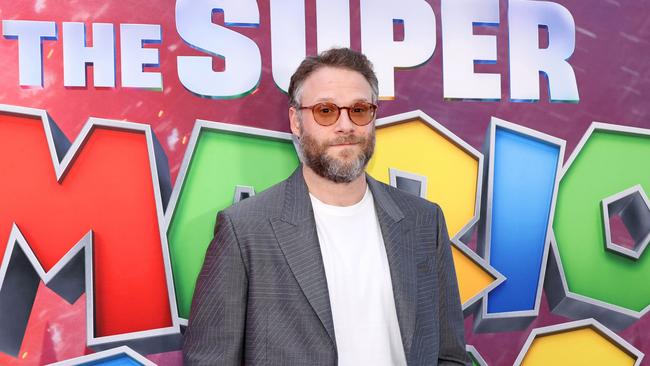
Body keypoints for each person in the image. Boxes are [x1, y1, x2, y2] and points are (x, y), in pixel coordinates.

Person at [183, 48, 470, 365]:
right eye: (325, 111)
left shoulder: (423, 221)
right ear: (296, 120)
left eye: (359, 110)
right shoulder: (245, 231)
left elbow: (449, 355)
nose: (345, 125)